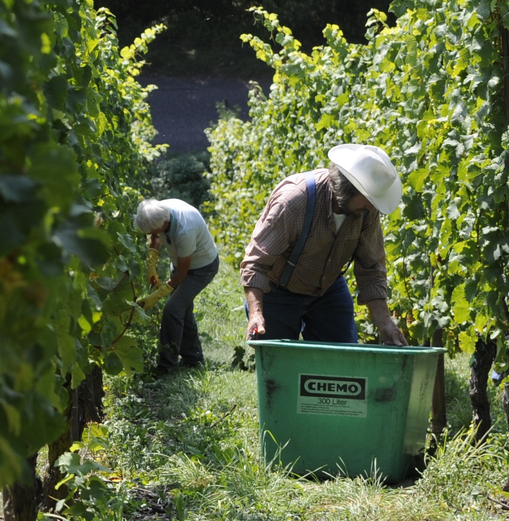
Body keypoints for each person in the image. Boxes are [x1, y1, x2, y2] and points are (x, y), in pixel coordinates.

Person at [240, 144, 407, 345]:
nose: (372, 206)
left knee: (342, 357)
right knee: (278, 358)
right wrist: (256, 313)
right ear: (347, 188)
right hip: (277, 290)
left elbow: (371, 268)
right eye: (368, 198)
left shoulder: (366, 211)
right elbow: (256, 263)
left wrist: (385, 322)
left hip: (328, 289)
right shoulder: (295, 201)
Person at [134, 196, 222, 372]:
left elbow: (182, 272)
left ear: (164, 223)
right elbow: (156, 235)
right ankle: (193, 359)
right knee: (183, 309)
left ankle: (166, 365)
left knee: (172, 309)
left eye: (154, 230)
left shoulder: (185, 229)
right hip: (180, 262)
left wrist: (157, 295)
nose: (153, 233)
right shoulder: (158, 210)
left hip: (202, 268)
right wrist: (152, 262)